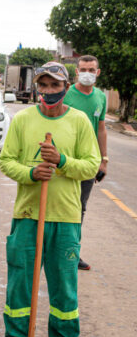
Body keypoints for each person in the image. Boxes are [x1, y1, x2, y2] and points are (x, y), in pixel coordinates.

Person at [0, 62, 99, 337]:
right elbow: (6, 160)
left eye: (55, 86)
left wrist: (62, 160)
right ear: (37, 87)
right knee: (20, 285)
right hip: (28, 215)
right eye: (44, 85)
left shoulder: (79, 121)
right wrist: (31, 173)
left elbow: (91, 166)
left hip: (65, 218)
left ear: (65, 87)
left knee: (65, 286)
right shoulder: (23, 119)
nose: (49, 91)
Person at [63, 55, 108, 271]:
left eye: (91, 69)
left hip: (88, 163)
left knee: (79, 208)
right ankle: (49, 250)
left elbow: (101, 129)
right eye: (83, 69)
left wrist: (103, 160)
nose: (87, 73)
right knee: (60, 205)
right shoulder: (66, 94)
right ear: (77, 72)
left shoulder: (100, 97)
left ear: (98, 72)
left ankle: (72, 253)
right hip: (64, 161)